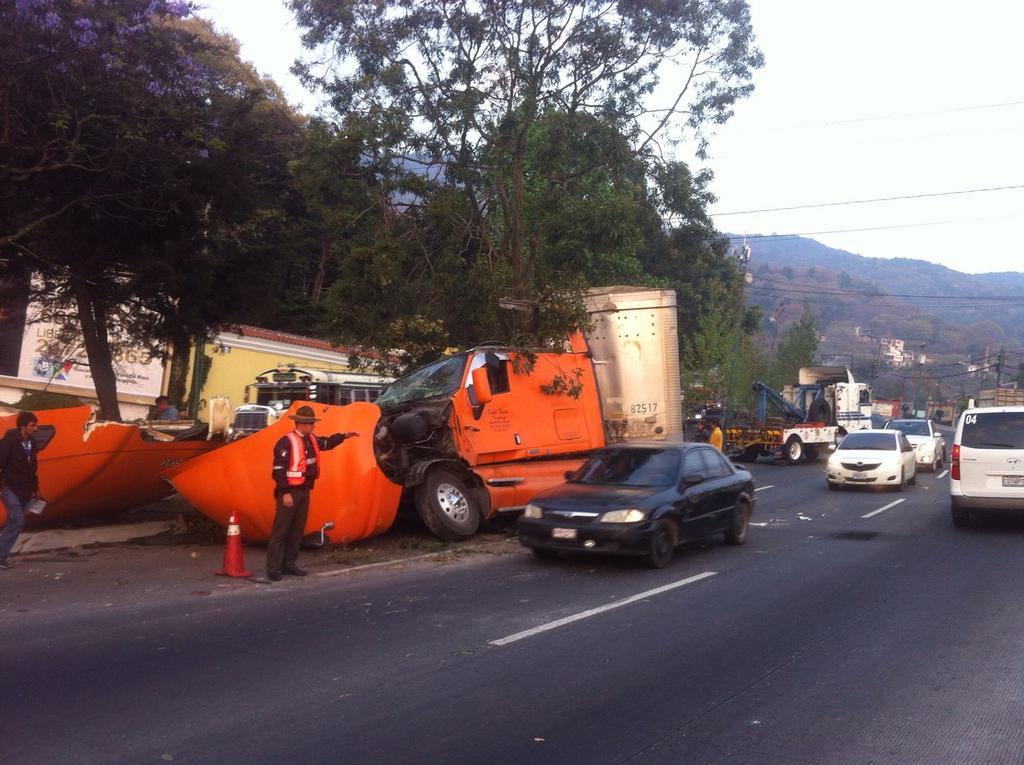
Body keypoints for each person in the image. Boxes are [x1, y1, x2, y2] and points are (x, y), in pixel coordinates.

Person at [267, 405, 357, 581]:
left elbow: (327, 443)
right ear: (302, 424)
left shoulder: (311, 440)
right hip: (290, 492)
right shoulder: (286, 442)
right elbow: (278, 470)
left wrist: (344, 436)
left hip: (304, 491)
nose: (313, 427)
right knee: (281, 531)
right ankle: (273, 569)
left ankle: (289, 564)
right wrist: (284, 493)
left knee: (297, 530)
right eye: (311, 424)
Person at [0, 411, 40, 569]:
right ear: (23, 427)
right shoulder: (8, 443)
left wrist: (35, 488)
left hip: (25, 489)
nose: (36, 428)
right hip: (8, 487)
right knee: (17, 520)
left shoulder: (32, 444)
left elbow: (33, 469)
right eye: (33, 425)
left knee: (14, 522)